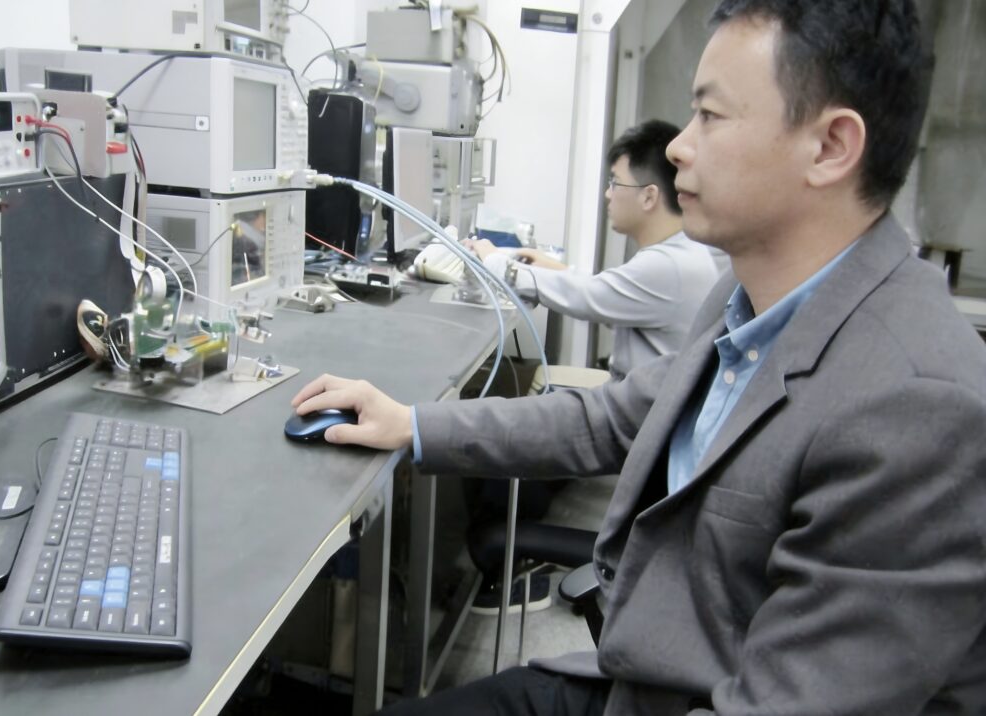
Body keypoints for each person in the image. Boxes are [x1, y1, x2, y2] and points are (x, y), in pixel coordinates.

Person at [291, 1, 986, 713]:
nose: (681, 147)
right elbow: (608, 419)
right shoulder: (745, 294)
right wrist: (410, 425)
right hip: (633, 682)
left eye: (710, 117)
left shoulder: (918, 406)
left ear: (831, 146)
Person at [465, 119, 723, 381]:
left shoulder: (669, 266)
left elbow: (588, 297)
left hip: (639, 414)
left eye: (615, 182)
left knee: (508, 390)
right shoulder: (680, 251)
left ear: (648, 196)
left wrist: (494, 261)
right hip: (637, 396)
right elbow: (614, 294)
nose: (608, 194)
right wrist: (558, 268)